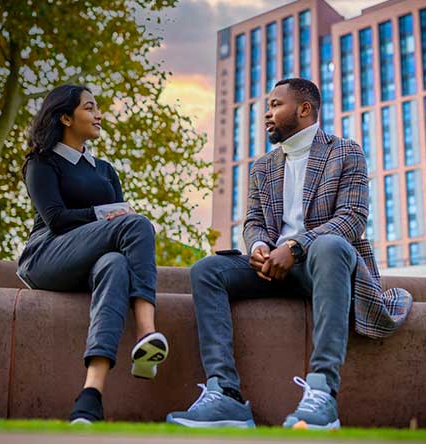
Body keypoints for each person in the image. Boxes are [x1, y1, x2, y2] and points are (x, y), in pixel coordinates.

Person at [166, 78, 412, 429]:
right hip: (270, 270)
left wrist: (295, 248)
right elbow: (252, 221)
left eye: (275, 105)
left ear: (304, 109)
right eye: (267, 106)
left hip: (324, 269)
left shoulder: (345, 152)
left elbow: (352, 219)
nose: (267, 114)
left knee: (329, 245)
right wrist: (259, 247)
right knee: (207, 269)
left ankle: (322, 392)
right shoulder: (262, 167)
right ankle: (226, 396)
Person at [16, 84, 169, 424]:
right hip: (46, 256)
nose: (99, 115)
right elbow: (55, 218)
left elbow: (115, 232)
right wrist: (105, 216)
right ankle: (146, 331)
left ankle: (90, 397)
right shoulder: (42, 162)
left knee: (115, 263)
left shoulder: (105, 170)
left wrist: (114, 221)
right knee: (137, 224)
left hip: (92, 262)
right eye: (90, 108)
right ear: (66, 117)